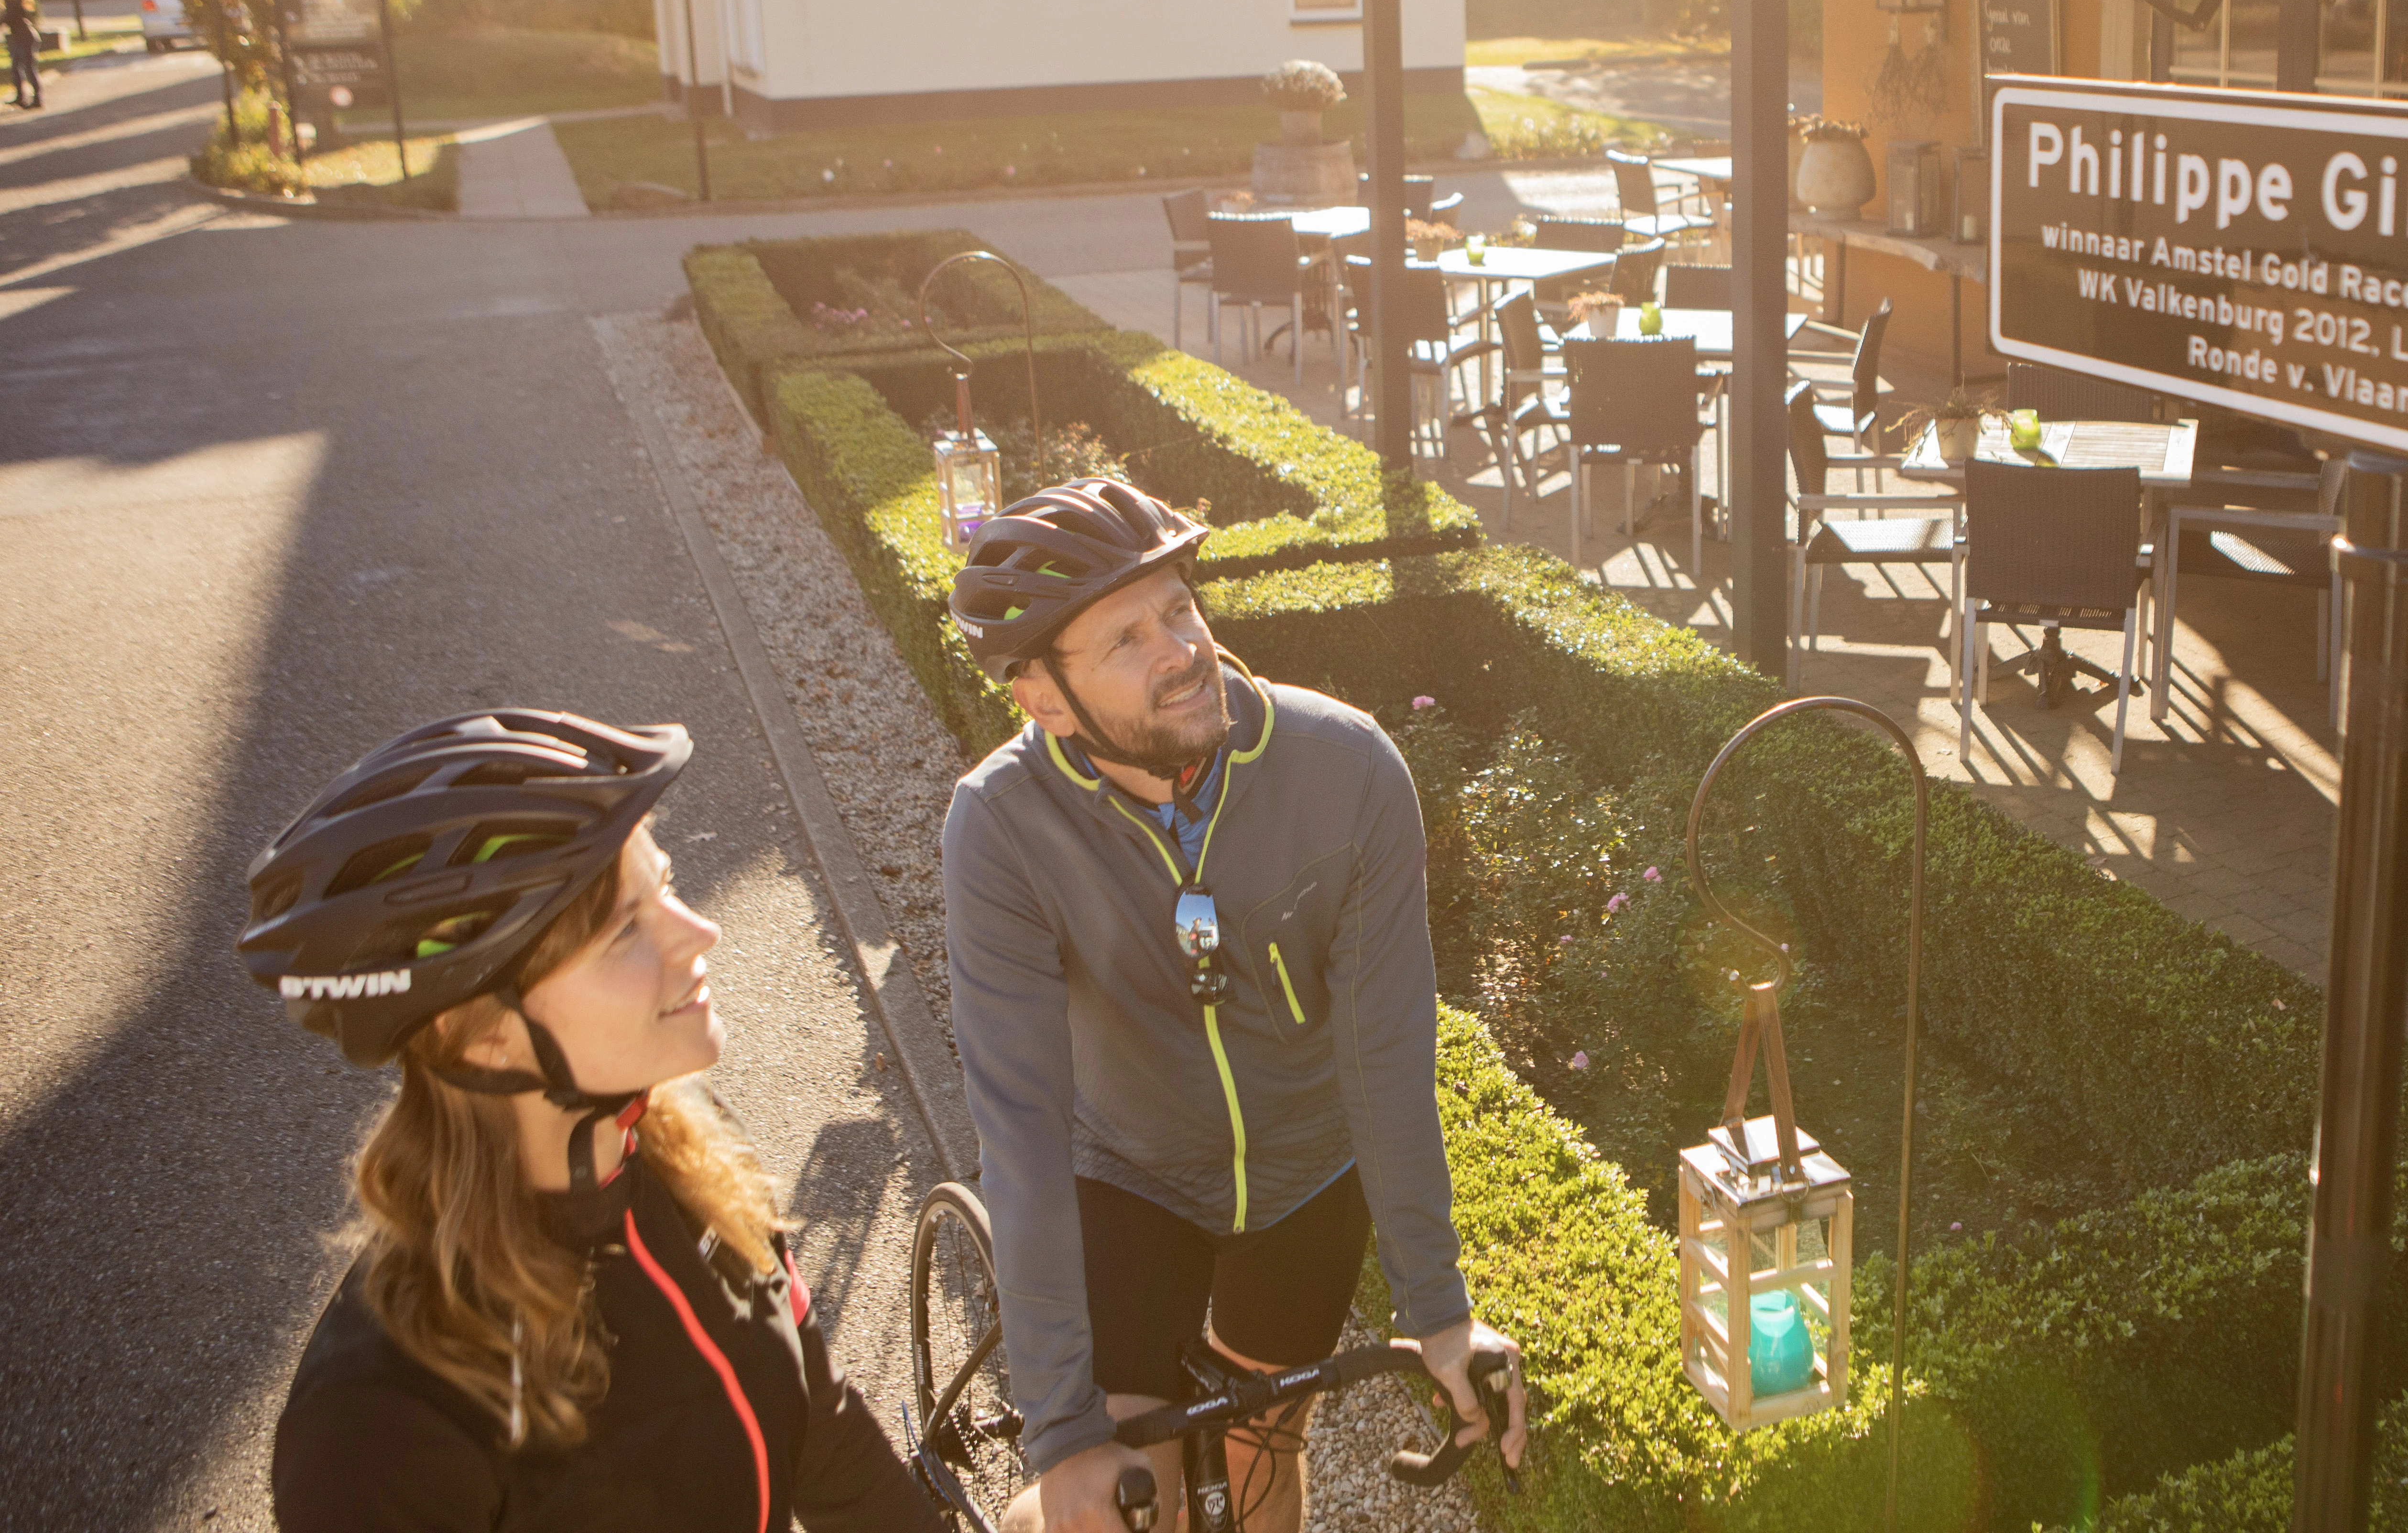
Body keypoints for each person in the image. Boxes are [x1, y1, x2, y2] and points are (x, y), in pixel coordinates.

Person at [942, 481, 1525, 1533]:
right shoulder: (1002, 826)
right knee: (1124, 1487)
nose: (1179, 647)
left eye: (1178, 608)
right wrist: (1064, 1432)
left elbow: (1387, 1055)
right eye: (1126, 637)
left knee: (1267, 1449)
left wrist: (1439, 1309)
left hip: (1308, 1171)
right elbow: (1021, 1124)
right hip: (1129, 1168)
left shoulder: (1349, 771)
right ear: (1043, 698)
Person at [243, 708, 942, 1533]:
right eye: (624, 932)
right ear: (481, 1032)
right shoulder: (376, 1422)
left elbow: (819, 1430)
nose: (699, 932)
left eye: (667, 886)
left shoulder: (689, 1152)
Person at [2, 0, 40, 109]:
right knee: (16, 68)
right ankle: (21, 97)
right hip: (19, 38)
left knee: (29, 68)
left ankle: (38, 100)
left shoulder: (17, 2)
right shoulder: (10, 2)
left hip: (26, 38)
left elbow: (10, 19)